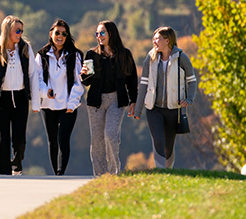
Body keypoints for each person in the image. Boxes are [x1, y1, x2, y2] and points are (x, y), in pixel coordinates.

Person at [0, 15, 40, 175]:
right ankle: (4, 174)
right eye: (17, 30)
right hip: (1, 99)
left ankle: (16, 165)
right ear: (7, 31)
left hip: (20, 97)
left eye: (21, 30)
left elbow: (33, 74)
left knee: (19, 139)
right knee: (3, 136)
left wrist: (36, 102)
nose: (20, 34)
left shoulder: (26, 48)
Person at [129, 26, 197, 168]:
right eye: (153, 39)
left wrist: (189, 99)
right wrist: (138, 109)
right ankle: (160, 171)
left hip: (173, 108)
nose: (154, 42)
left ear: (167, 40)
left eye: (157, 39)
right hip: (154, 108)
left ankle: (168, 171)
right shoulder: (150, 58)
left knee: (168, 144)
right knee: (158, 140)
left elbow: (192, 81)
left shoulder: (181, 58)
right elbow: (143, 84)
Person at [80, 20, 137, 176]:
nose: (99, 36)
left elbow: (132, 80)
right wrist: (83, 74)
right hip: (95, 103)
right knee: (97, 142)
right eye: (97, 33)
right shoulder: (92, 54)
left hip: (116, 100)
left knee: (110, 134)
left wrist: (134, 101)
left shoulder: (125, 55)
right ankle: (100, 176)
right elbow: (87, 82)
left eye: (102, 33)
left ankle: (114, 172)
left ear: (111, 34)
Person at [35, 19, 85, 175]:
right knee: (52, 141)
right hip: (48, 105)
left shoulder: (75, 55)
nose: (60, 36)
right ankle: (55, 173)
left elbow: (79, 81)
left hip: (67, 106)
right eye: (57, 33)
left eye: (64, 34)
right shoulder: (42, 55)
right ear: (51, 33)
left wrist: (72, 103)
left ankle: (60, 173)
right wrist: (45, 92)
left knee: (63, 140)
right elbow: (37, 79)